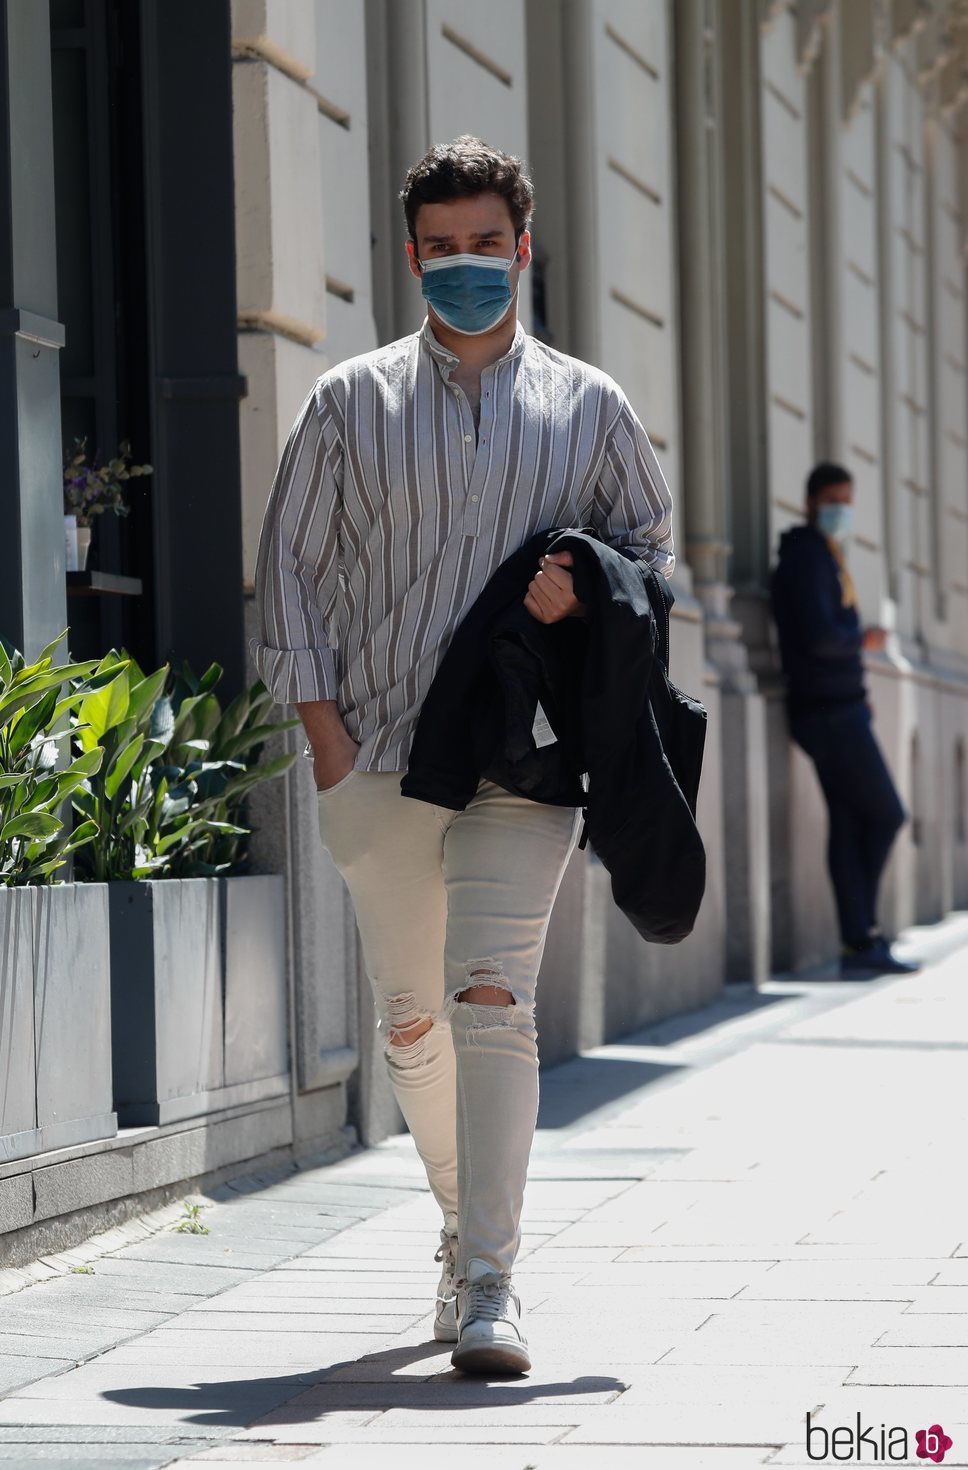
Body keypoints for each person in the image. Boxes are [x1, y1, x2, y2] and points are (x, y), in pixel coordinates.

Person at [249, 135, 673, 1375]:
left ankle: (488, 1285)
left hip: (524, 765)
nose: (466, 269)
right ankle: (456, 1224)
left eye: (487, 247)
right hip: (377, 757)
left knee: (493, 999)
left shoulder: (589, 405)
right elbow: (286, 571)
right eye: (443, 251)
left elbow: (653, 557)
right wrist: (324, 740)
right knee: (410, 1018)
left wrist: (583, 600)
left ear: (522, 248)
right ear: (411, 257)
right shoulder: (349, 402)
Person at [769, 462, 918, 979]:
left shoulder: (825, 555)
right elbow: (820, 637)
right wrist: (864, 642)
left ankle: (861, 942)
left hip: (839, 705)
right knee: (887, 814)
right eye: (834, 500)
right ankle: (861, 936)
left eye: (847, 501)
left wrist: (859, 686)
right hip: (829, 713)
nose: (842, 511)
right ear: (812, 502)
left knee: (853, 820)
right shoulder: (807, 558)